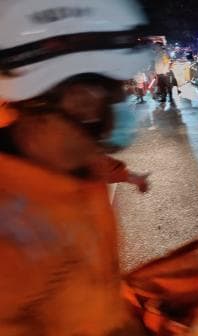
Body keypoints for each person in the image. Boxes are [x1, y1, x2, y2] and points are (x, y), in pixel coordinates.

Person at [0, 0, 153, 334]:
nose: (125, 101)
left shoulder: (76, 169)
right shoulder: (8, 239)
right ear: (81, 100)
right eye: (118, 89)